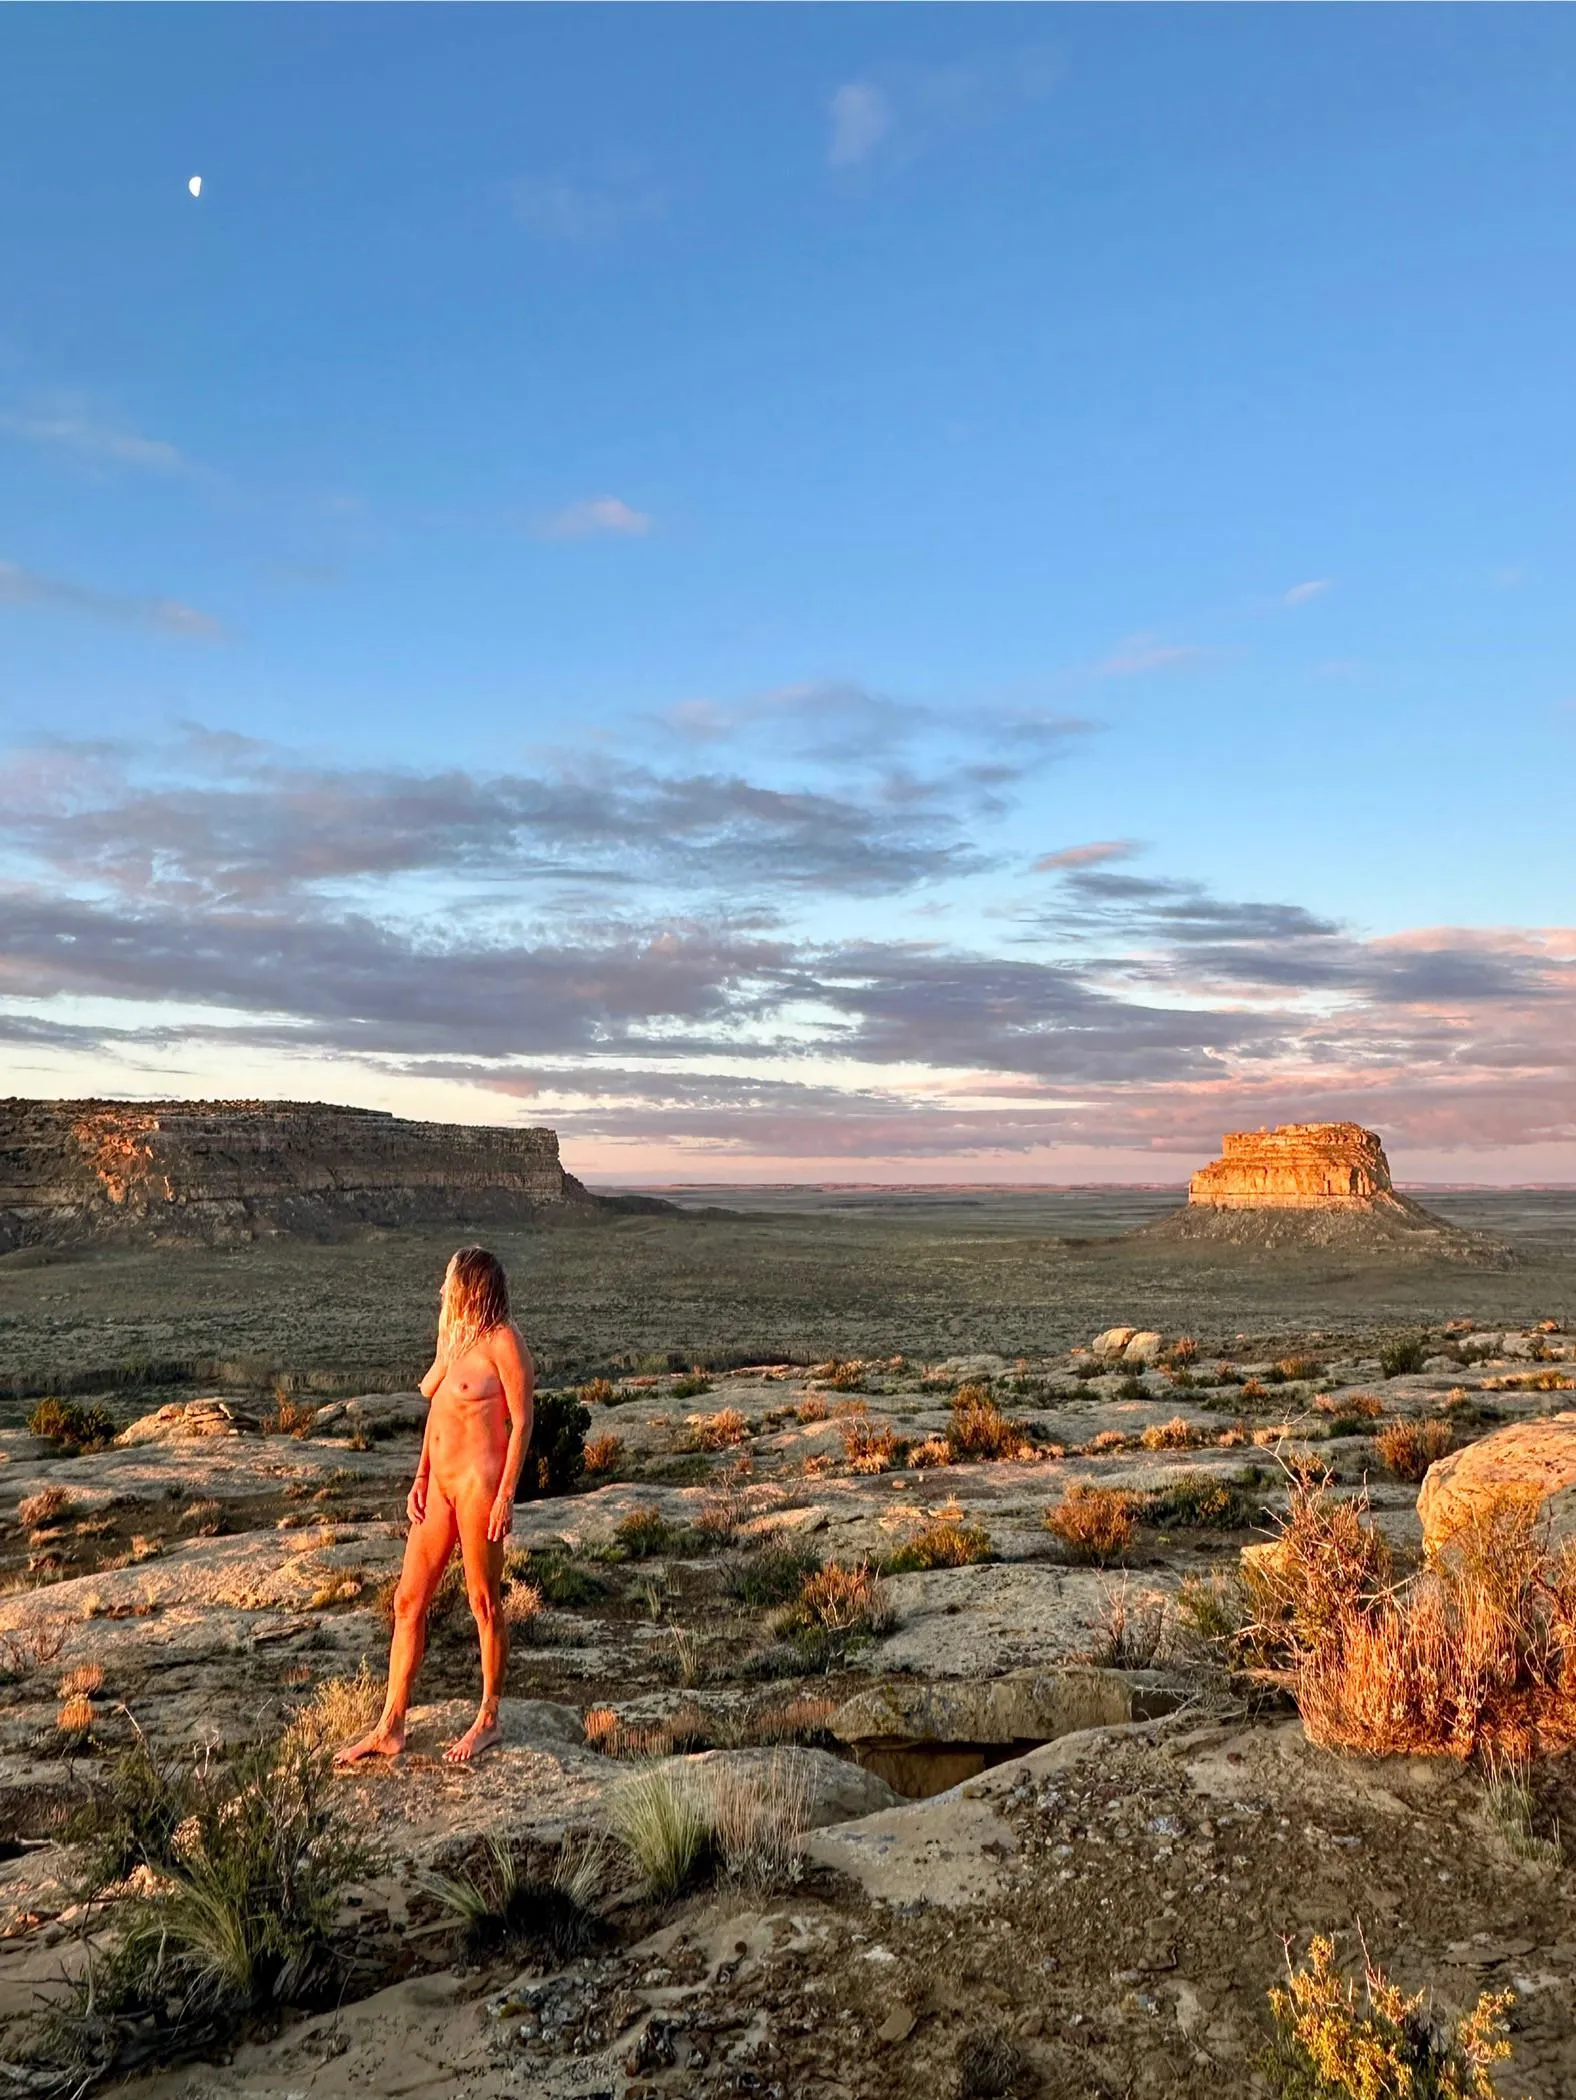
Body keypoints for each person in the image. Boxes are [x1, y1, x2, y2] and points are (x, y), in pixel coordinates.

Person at [335, 1246, 533, 1766]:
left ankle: (488, 1718)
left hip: (478, 1486)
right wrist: (421, 1475)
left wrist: (506, 1495)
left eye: (452, 1281)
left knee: (483, 1601)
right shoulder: (455, 1336)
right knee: (407, 1602)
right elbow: (439, 1408)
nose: (444, 1288)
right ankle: (390, 1725)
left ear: (474, 1287)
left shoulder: (504, 1342)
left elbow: (522, 1422)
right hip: (440, 1485)